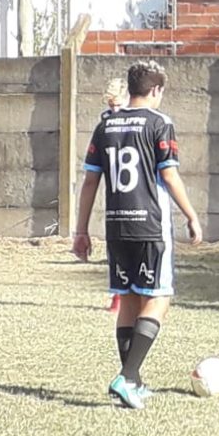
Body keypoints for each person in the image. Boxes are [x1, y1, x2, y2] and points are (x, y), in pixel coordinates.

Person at [72, 60, 202, 410]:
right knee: (160, 297)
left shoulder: (106, 124)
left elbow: (90, 181)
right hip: (150, 225)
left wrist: (81, 230)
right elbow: (169, 175)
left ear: (131, 88)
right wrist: (191, 215)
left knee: (128, 299)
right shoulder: (160, 123)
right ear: (156, 90)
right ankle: (127, 377)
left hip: (116, 225)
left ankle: (135, 382)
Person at [101, 77, 129, 315]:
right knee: (116, 247)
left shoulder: (143, 121)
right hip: (115, 193)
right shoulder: (105, 123)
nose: (115, 110)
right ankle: (117, 295)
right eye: (111, 106)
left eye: (119, 105)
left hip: (139, 194)